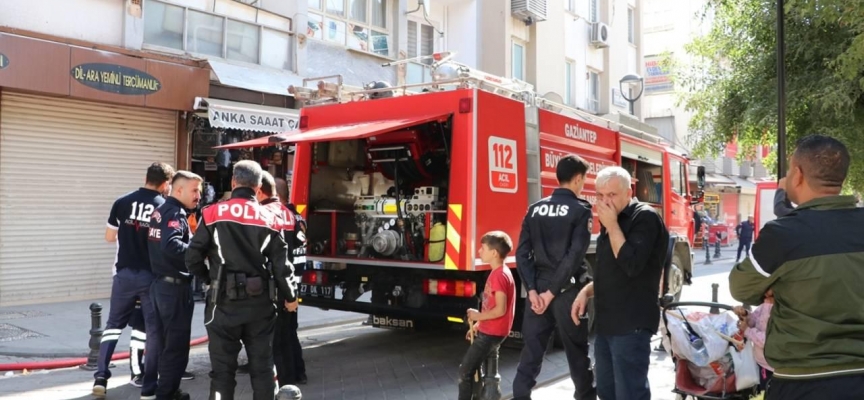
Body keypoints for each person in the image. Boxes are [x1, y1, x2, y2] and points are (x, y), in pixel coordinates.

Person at [729, 134, 864, 399]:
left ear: (798, 174)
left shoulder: (783, 234)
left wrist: (775, 287)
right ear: (842, 179)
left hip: (801, 380)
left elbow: (740, 286)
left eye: (790, 169)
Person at [186, 160, 299, 400]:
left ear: (233, 182)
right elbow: (282, 266)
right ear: (258, 187)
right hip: (260, 306)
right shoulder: (270, 218)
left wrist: (209, 280)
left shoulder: (211, 213)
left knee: (222, 372)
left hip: (222, 306)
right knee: (263, 368)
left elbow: (192, 257)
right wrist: (290, 297)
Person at [571, 166, 669, 400]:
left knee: (629, 394)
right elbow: (612, 273)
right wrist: (587, 290)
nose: (605, 202)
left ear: (629, 191)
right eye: (600, 196)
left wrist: (613, 225)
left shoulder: (644, 217)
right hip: (607, 326)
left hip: (631, 325)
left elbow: (631, 265)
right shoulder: (611, 220)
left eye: (611, 195)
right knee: (606, 393)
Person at [512, 155, 596, 400]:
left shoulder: (535, 209)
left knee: (530, 355)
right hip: (568, 293)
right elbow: (574, 256)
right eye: (584, 180)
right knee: (577, 354)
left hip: (537, 293)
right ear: (578, 178)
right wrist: (552, 293)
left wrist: (535, 291)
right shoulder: (580, 210)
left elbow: (522, 254)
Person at [93, 162, 175, 399]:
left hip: (124, 274)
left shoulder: (122, 201)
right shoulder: (164, 207)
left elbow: (109, 237)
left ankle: (100, 376)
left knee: (113, 325)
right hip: (151, 277)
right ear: (166, 183)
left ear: (146, 177)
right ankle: (148, 389)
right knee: (153, 331)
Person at [147, 171, 203, 400]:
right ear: (178, 190)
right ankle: (166, 393)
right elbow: (171, 245)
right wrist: (199, 253)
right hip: (173, 289)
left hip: (160, 286)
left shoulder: (160, 211)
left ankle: (168, 388)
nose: (198, 195)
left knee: (164, 344)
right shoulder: (175, 213)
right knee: (176, 346)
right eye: (195, 190)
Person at [260, 173, 307, 386]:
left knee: (279, 338)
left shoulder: (274, 215)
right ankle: (298, 372)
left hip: (280, 285)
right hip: (294, 283)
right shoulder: (296, 216)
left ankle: (286, 381)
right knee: (289, 332)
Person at [458, 231, 516, 400]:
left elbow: (500, 309)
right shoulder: (500, 272)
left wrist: (478, 317)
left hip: (492, 333)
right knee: (489, 375)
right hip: (492, 330)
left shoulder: (499, 276)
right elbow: (493, 307)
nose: (479, 251)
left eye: (482, 248)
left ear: (494, 253)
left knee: (465, 372)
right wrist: (478, 325)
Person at [734, 289, 775, 392]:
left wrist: (747, 330)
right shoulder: (765, 305)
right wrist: (745, 314)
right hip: (763, 363)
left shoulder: (780, 311)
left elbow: (769, 341)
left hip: (772, 366)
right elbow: (754, 320)